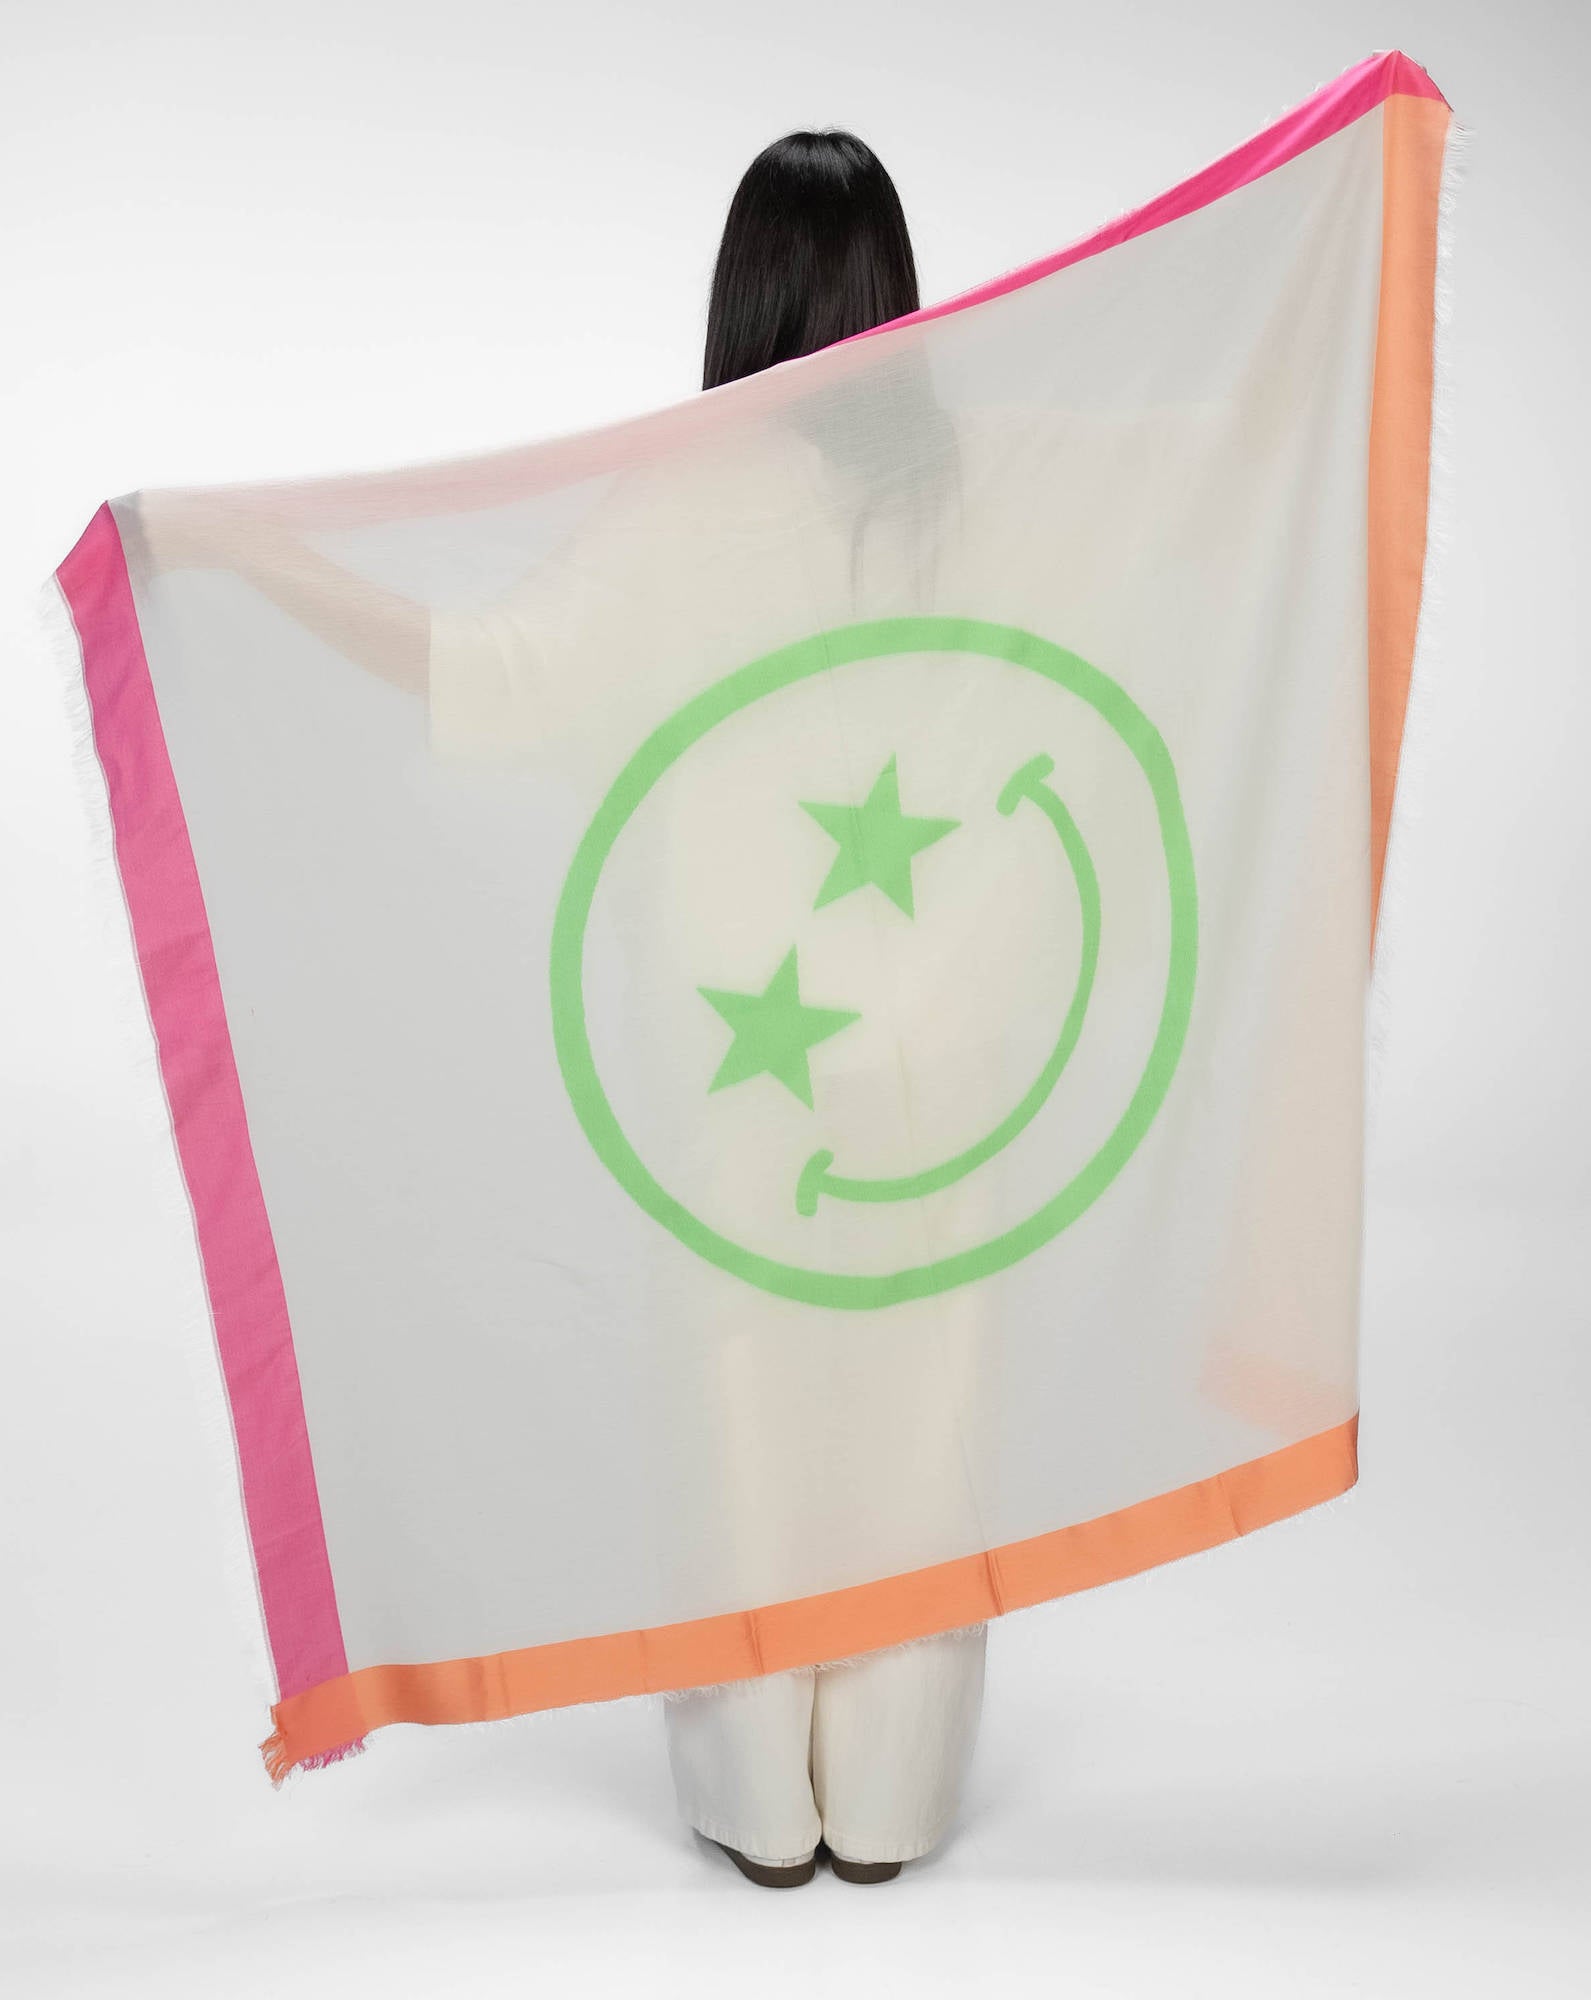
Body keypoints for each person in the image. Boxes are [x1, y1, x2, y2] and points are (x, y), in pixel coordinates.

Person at [138, 127, 989, 1891]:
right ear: (897, 290)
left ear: (742, 296)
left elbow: (495, 675)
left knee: (740, 1406)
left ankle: (763, 1806)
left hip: (738, 1043)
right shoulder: (968, 494)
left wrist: (253, 554)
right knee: (919, 1411)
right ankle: (890, 1799)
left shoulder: (688, 499)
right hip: (943, 1042)